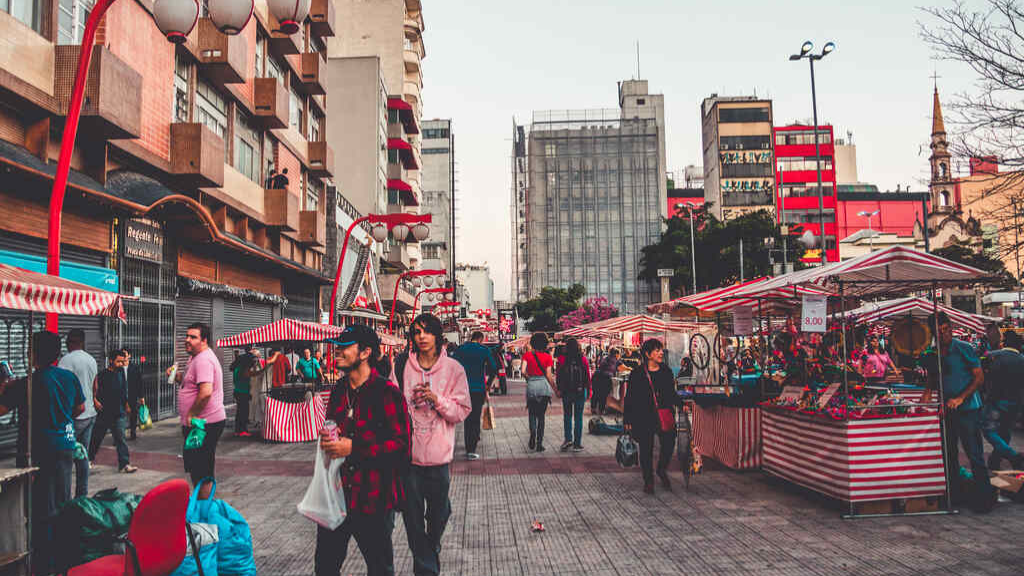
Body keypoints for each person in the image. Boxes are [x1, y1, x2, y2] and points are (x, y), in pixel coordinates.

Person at [318, 325, 411, 576]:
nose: (337, 351)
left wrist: (354, 447)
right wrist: (329, 439)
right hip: (336, 494)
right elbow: (334, 426)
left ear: (364, 352)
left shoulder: (387, 394)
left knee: (379, 567)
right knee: (325, 566)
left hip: (373, 496)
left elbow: (401, 447)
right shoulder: (338, 390)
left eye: (344, 347)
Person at [391, 313, 470, 576]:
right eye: (416, 332)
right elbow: (391, 406)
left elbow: (462, 411)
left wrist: (437, 399)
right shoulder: (402, 365)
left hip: (439, 460)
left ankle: (430, 547)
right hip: (408, 459)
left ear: (438, 335)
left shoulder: (454, 369)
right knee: (413, 520)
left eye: (426, 331)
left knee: (440, 514)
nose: (421, 337)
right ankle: (427, 569)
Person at [2, 332, 84, 573]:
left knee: (39, 509)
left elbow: (1, 408)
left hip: (36, 452)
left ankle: (43, 563)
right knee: (61, 501)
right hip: (66, 446)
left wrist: (3, 387)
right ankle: (63, 558)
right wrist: (60, 422)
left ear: (33, 354)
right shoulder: (69, 378)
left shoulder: (27, 383)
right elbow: (79, 407)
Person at [921, 312, 994, 512]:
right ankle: (956, 495)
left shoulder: (964, 348)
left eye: (947, 329)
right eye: (940, 330)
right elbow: (934, 377)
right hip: (946, 410)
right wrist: (927, 393)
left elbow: (979, 378)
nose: (945, 333)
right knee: (949, 454)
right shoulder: (933, 352)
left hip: (968, 410)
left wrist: (961, 398)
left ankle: (984, 499)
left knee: (975, 454)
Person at [171, 322, 226, 498]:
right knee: (195, 466)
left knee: (203, 470)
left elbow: (205, 393)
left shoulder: (203, 360)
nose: (187, 340)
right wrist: (179, 377)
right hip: (198, 424)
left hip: (203, 424)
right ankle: (200, 506)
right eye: (187, 336)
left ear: (204, 340)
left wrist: (192, 415)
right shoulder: (195, 357)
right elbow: (193, 386)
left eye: (193, 337)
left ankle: (203, 512)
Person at [624, 338, 681, 494]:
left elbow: (671, 393)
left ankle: (661, 469)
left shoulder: (666, 371)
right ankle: (648, 480)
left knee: (669, 444)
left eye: (661, 350)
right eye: (657, 350)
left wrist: (681, 403)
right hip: (644, 416)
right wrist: (627, 419)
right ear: (648, 354)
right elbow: (630, 397)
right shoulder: (637, 374)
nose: (661, 353)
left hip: (664, 414)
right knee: (646, 449)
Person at [58, 328, 98, 497]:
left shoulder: (66, 361)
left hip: (74, 415)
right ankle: (82, 496)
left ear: (71, 342)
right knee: (83, 456)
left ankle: (65, 497)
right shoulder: (92, 360)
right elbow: (95, 387)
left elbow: (61, 389)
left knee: (66, 458)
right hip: (90, 413)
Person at [88, 349, 138, 473]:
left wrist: (126, 404)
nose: (121, 364)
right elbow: (93, 389)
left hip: (119, 412)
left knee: (121, 439)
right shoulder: (102, 374)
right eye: (118, 361)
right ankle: (88, 460)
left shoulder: (121, 373)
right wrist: (95, 400)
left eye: (122, 361)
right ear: (110, 360)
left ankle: (124, 464)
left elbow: (123, 390)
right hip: (104, 412)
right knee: (97, 437)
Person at [981, 330, 1024, 470]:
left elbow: (982, 375)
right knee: (1005, 433)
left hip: (996, 401)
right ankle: (995, 461)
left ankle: (1012, 455)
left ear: (1004, 342)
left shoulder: (992, 356)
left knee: (988, 430)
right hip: (1015, 403)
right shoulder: (1021, 360)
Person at [452, 331, 497, 460]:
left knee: (467, 417)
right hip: (479, 388)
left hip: (463, 388)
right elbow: (494, 368)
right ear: (481, 339)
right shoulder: (484, 350)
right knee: (475, 416)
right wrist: (488, 384)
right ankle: (472, 447)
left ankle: (468, 446)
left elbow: (451, 366)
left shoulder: (460, 349)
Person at [523, 333, 556, 452]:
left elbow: (522, 371)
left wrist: (529, 379)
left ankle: (532, 434)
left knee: (532, 413)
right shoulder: (547, 357)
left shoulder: (527, 355)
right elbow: (548, 375)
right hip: (543, 387)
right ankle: (539, 443)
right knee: (541, 416)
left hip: (531, 386)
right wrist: (555, 389)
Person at [556, 338, 591, 452]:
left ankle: (568, 440)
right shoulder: (583, 359)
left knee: (567, 416)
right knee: (578, 418)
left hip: (566, 391)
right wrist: (589, 390)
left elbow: (558, 376)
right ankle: (577, 443)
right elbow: (587, 376)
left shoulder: (562, 359)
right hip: (580, 391)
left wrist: (559, 389)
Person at [230, 348, 257, 437]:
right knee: (244, 412)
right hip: (242, 392)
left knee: (239, 412)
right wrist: (264, 369)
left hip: (238, 391)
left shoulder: (237, 369)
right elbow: (252, 374)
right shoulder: (243, 370)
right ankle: (242, 430)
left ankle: (238, 430)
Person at [592, 349, 626, 416]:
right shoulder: (616, 360)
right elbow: (623, 367)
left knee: (596, 392)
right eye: (619, 354)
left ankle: (593, 408)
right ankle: (601, 410)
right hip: (605, 378)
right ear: (616, 354)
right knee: (604, 394)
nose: (619, 356)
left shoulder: (605, 358)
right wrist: (631, 369)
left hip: (596, 376)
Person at [123, 348, 143, 440]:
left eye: (125, 354)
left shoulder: (134, 367)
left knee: (133, 414)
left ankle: (133, 432)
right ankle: (120, 435)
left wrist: (141, 396)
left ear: (129, 356)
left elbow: (139, 383)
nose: (123, 356)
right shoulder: (118, 367)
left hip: (132, 394)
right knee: (120, 416)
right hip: (121, 395)